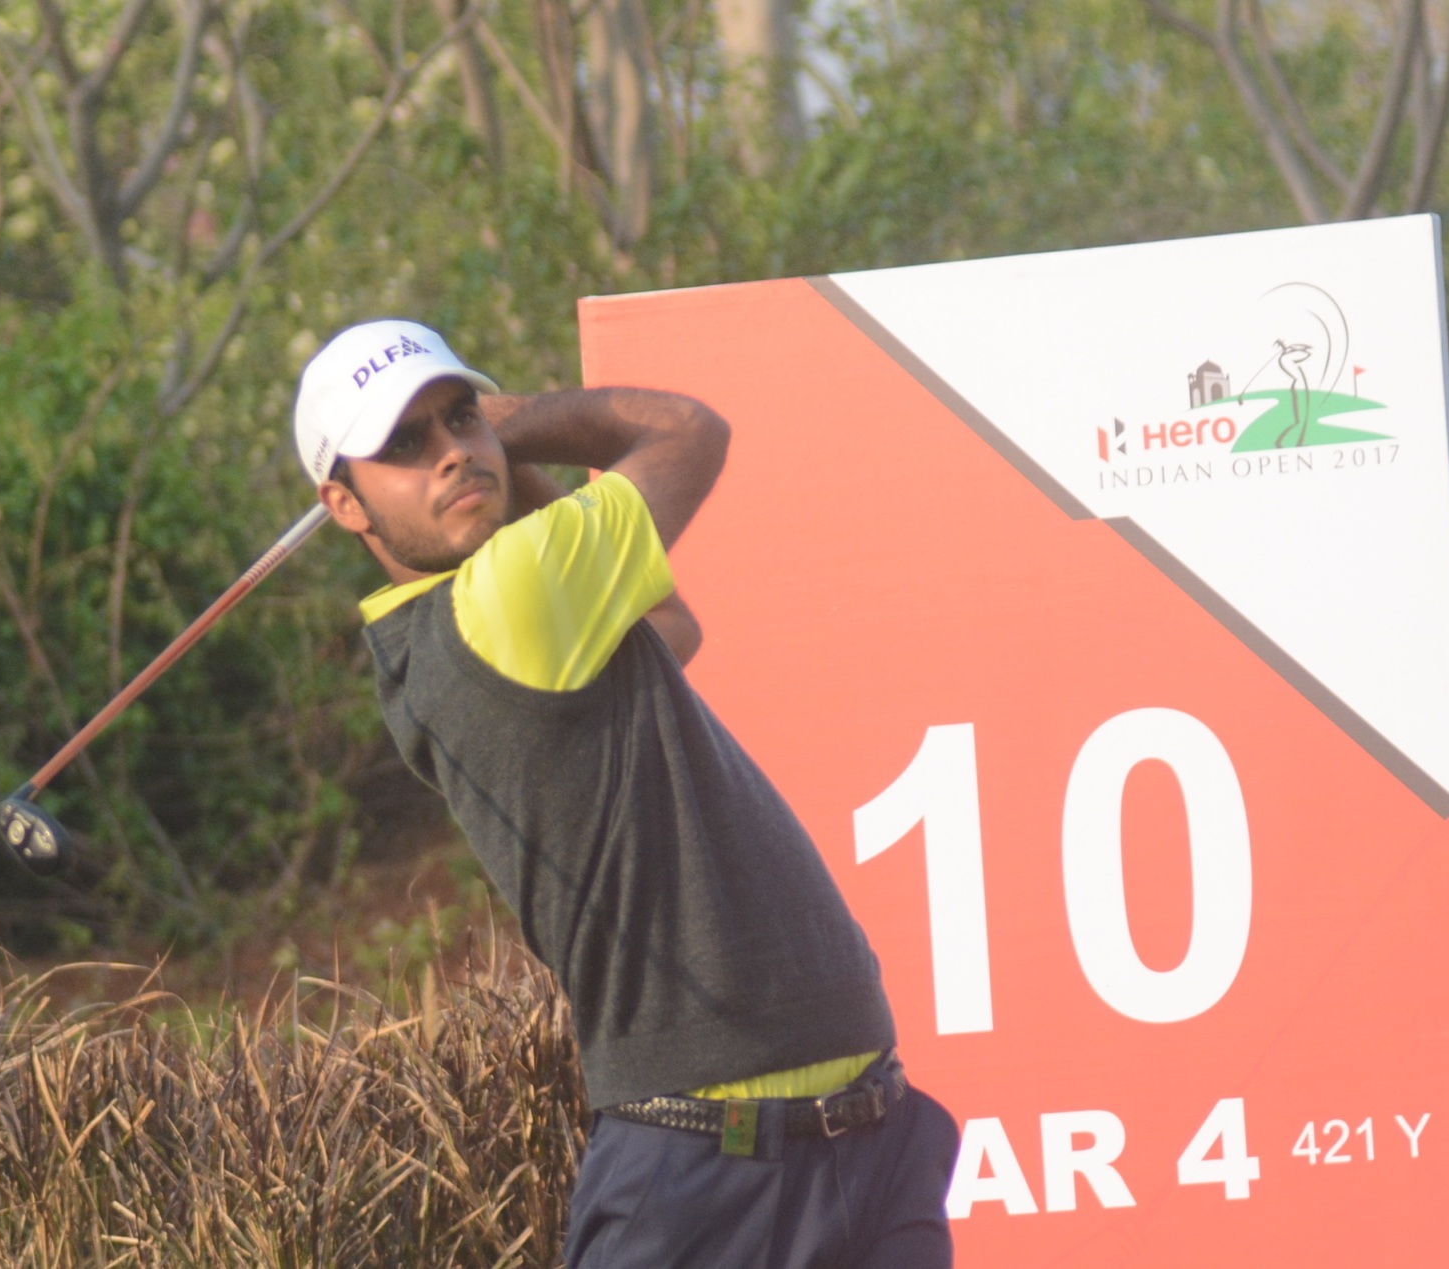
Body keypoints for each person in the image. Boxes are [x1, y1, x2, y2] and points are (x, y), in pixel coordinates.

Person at [296, 321, 959, 1267]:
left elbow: (667, 623)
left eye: (458, 416)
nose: (448, 450)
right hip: (710, 1172)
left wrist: (485, 464)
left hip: (856, 1140)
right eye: (404, 443)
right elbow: (688, 430)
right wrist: (512, 426)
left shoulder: (475, 626)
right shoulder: (506, 597)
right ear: (344, 504)